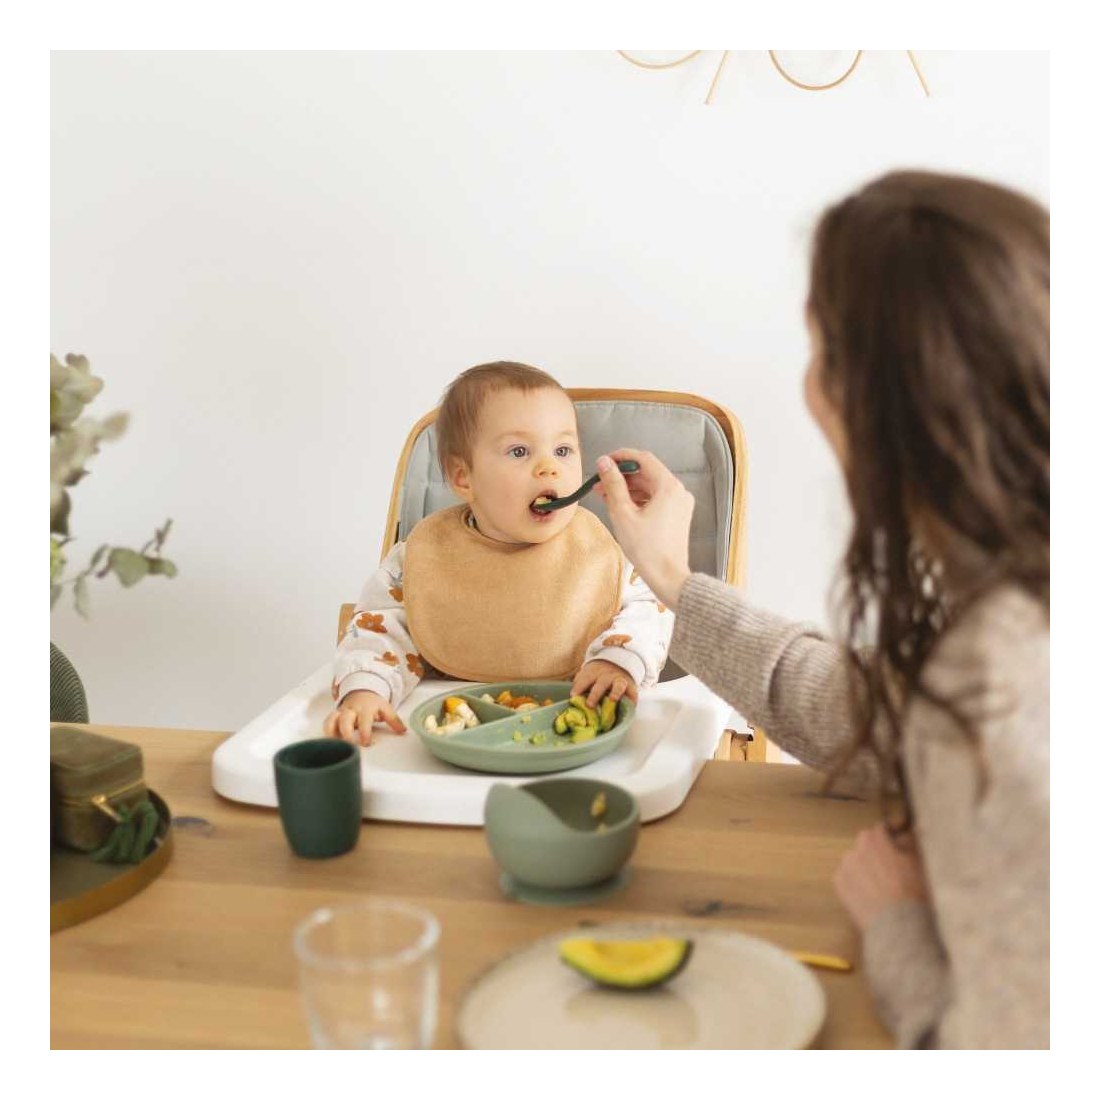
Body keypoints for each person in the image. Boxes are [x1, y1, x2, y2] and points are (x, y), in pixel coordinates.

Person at [593, 171, 1049, 1049]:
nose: (808, 387)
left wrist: (896, 926)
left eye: (820, 351)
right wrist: (676, 582)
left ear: (884, 398)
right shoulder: (1015, 606)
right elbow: (880, 716)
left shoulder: (1002, 674)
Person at [323, 361, 673, 745]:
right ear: (463, 477)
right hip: (451, 737)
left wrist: (616, 662)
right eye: (519, 451)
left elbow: (650, 609)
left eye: (562, 450)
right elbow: (379, 631)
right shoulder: (423, 558)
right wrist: (366, 689)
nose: (549, 468)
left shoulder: (594, 551)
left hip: (574, 732)